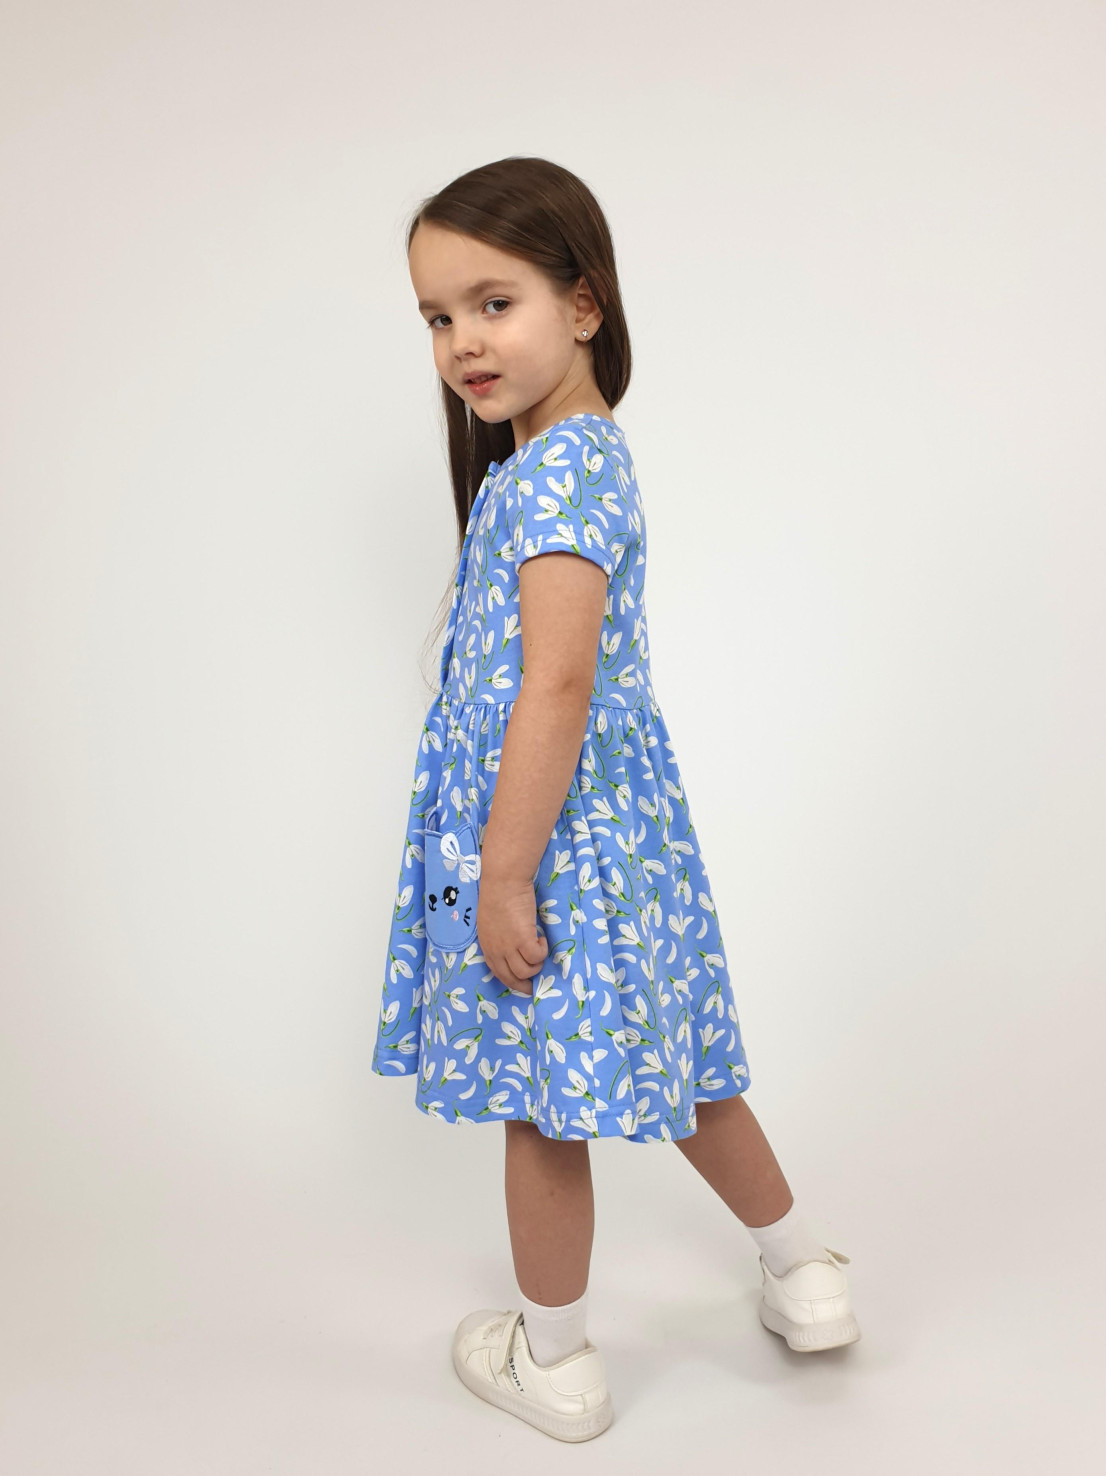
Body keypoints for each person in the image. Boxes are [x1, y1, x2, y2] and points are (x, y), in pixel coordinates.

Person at [371, 156, 860, 1443]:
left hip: (544, 838)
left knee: (539, 1101)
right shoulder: (561, 461)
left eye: (494, 303)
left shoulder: (555, 474)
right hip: (610, 834)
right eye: (437, 316)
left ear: (582, 304)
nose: (462, 342)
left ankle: (556, 1361)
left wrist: (503, 873)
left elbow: (558, 681)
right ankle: (802, 1270)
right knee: (681, 1057)